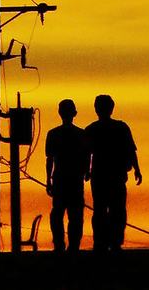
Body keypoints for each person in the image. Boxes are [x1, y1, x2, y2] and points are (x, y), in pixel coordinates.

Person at [85, 94, 141, 252]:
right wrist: (137, 169)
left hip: (102, 176)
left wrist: (86, 171)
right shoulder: (121, 127)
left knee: (102, 210)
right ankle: (113, 241)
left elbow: (86, 154)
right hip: (112, 175)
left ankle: (102, 242)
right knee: (115, 210)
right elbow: (131, 150)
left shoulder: (92, 129)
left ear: (96, 109)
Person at [45, 99, 90, 253]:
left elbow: (49, 159)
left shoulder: (53, 134)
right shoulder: (81, 134)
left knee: (58, 214)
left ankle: (59, 245)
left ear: (60, 113)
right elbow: (87, 156)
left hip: (60, 179)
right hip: (75, 179)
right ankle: (73, 246)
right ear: (74, 114)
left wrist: (48, 180)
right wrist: (86, 172)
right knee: (75, 215)